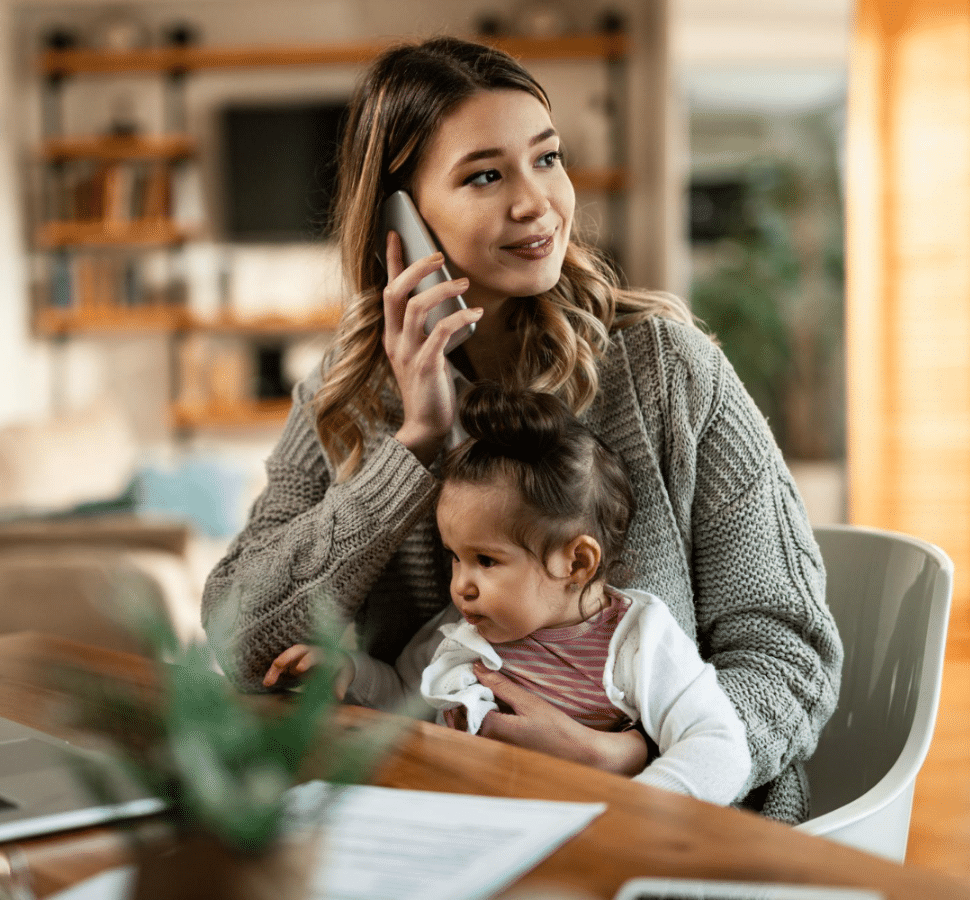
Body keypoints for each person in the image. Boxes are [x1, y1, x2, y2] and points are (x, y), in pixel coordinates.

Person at [202, 35, 842, 822]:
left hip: (676, 828)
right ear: (401, 222)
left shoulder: (665, 368)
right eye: (484, 175)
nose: (537, 201)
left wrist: (634, 757)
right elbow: (244, 642)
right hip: (438, 817)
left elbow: (789, 653)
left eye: (547, 158)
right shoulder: (346, 396)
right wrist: (416, 446)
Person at [263, 385, 753, 806]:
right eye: (455, 556)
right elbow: (404, 698)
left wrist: (640, 808)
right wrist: (350, 673)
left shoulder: (638, 640)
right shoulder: (465, 630)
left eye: (487, 561)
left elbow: (719, 744)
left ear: (576, 562)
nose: (461, 584)